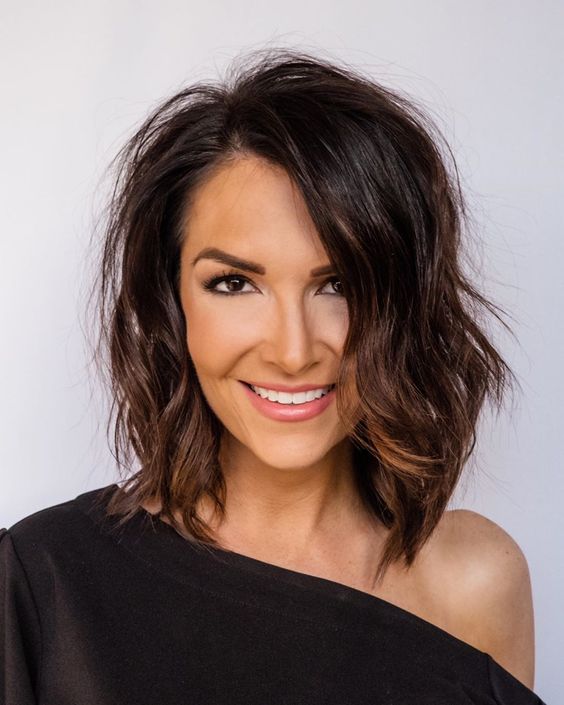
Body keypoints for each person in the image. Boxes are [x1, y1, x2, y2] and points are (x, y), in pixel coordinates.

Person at [0, 48, 547, 704]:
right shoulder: (46, 582)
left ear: (403, 303)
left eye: (339, 283)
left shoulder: (476, 583)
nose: (293, 351)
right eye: (234, 283)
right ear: (171, 301)